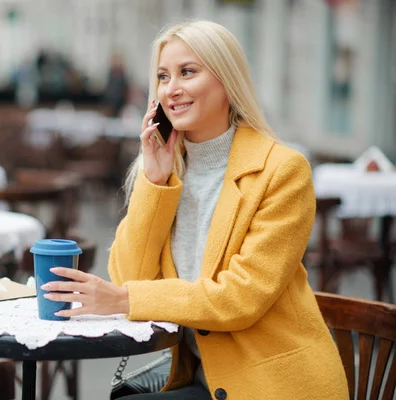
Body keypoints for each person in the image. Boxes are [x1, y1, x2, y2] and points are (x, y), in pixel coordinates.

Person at [41, 20, 349, 400]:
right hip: (204, 380)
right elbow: (129, 275)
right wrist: (154, 181)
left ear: (226, 80)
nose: (172, 89)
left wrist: (123, 300)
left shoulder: (282, 170)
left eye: (188, 72)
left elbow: (240, 298)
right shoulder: (170, 167)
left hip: (272, 384)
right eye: (163, 76)